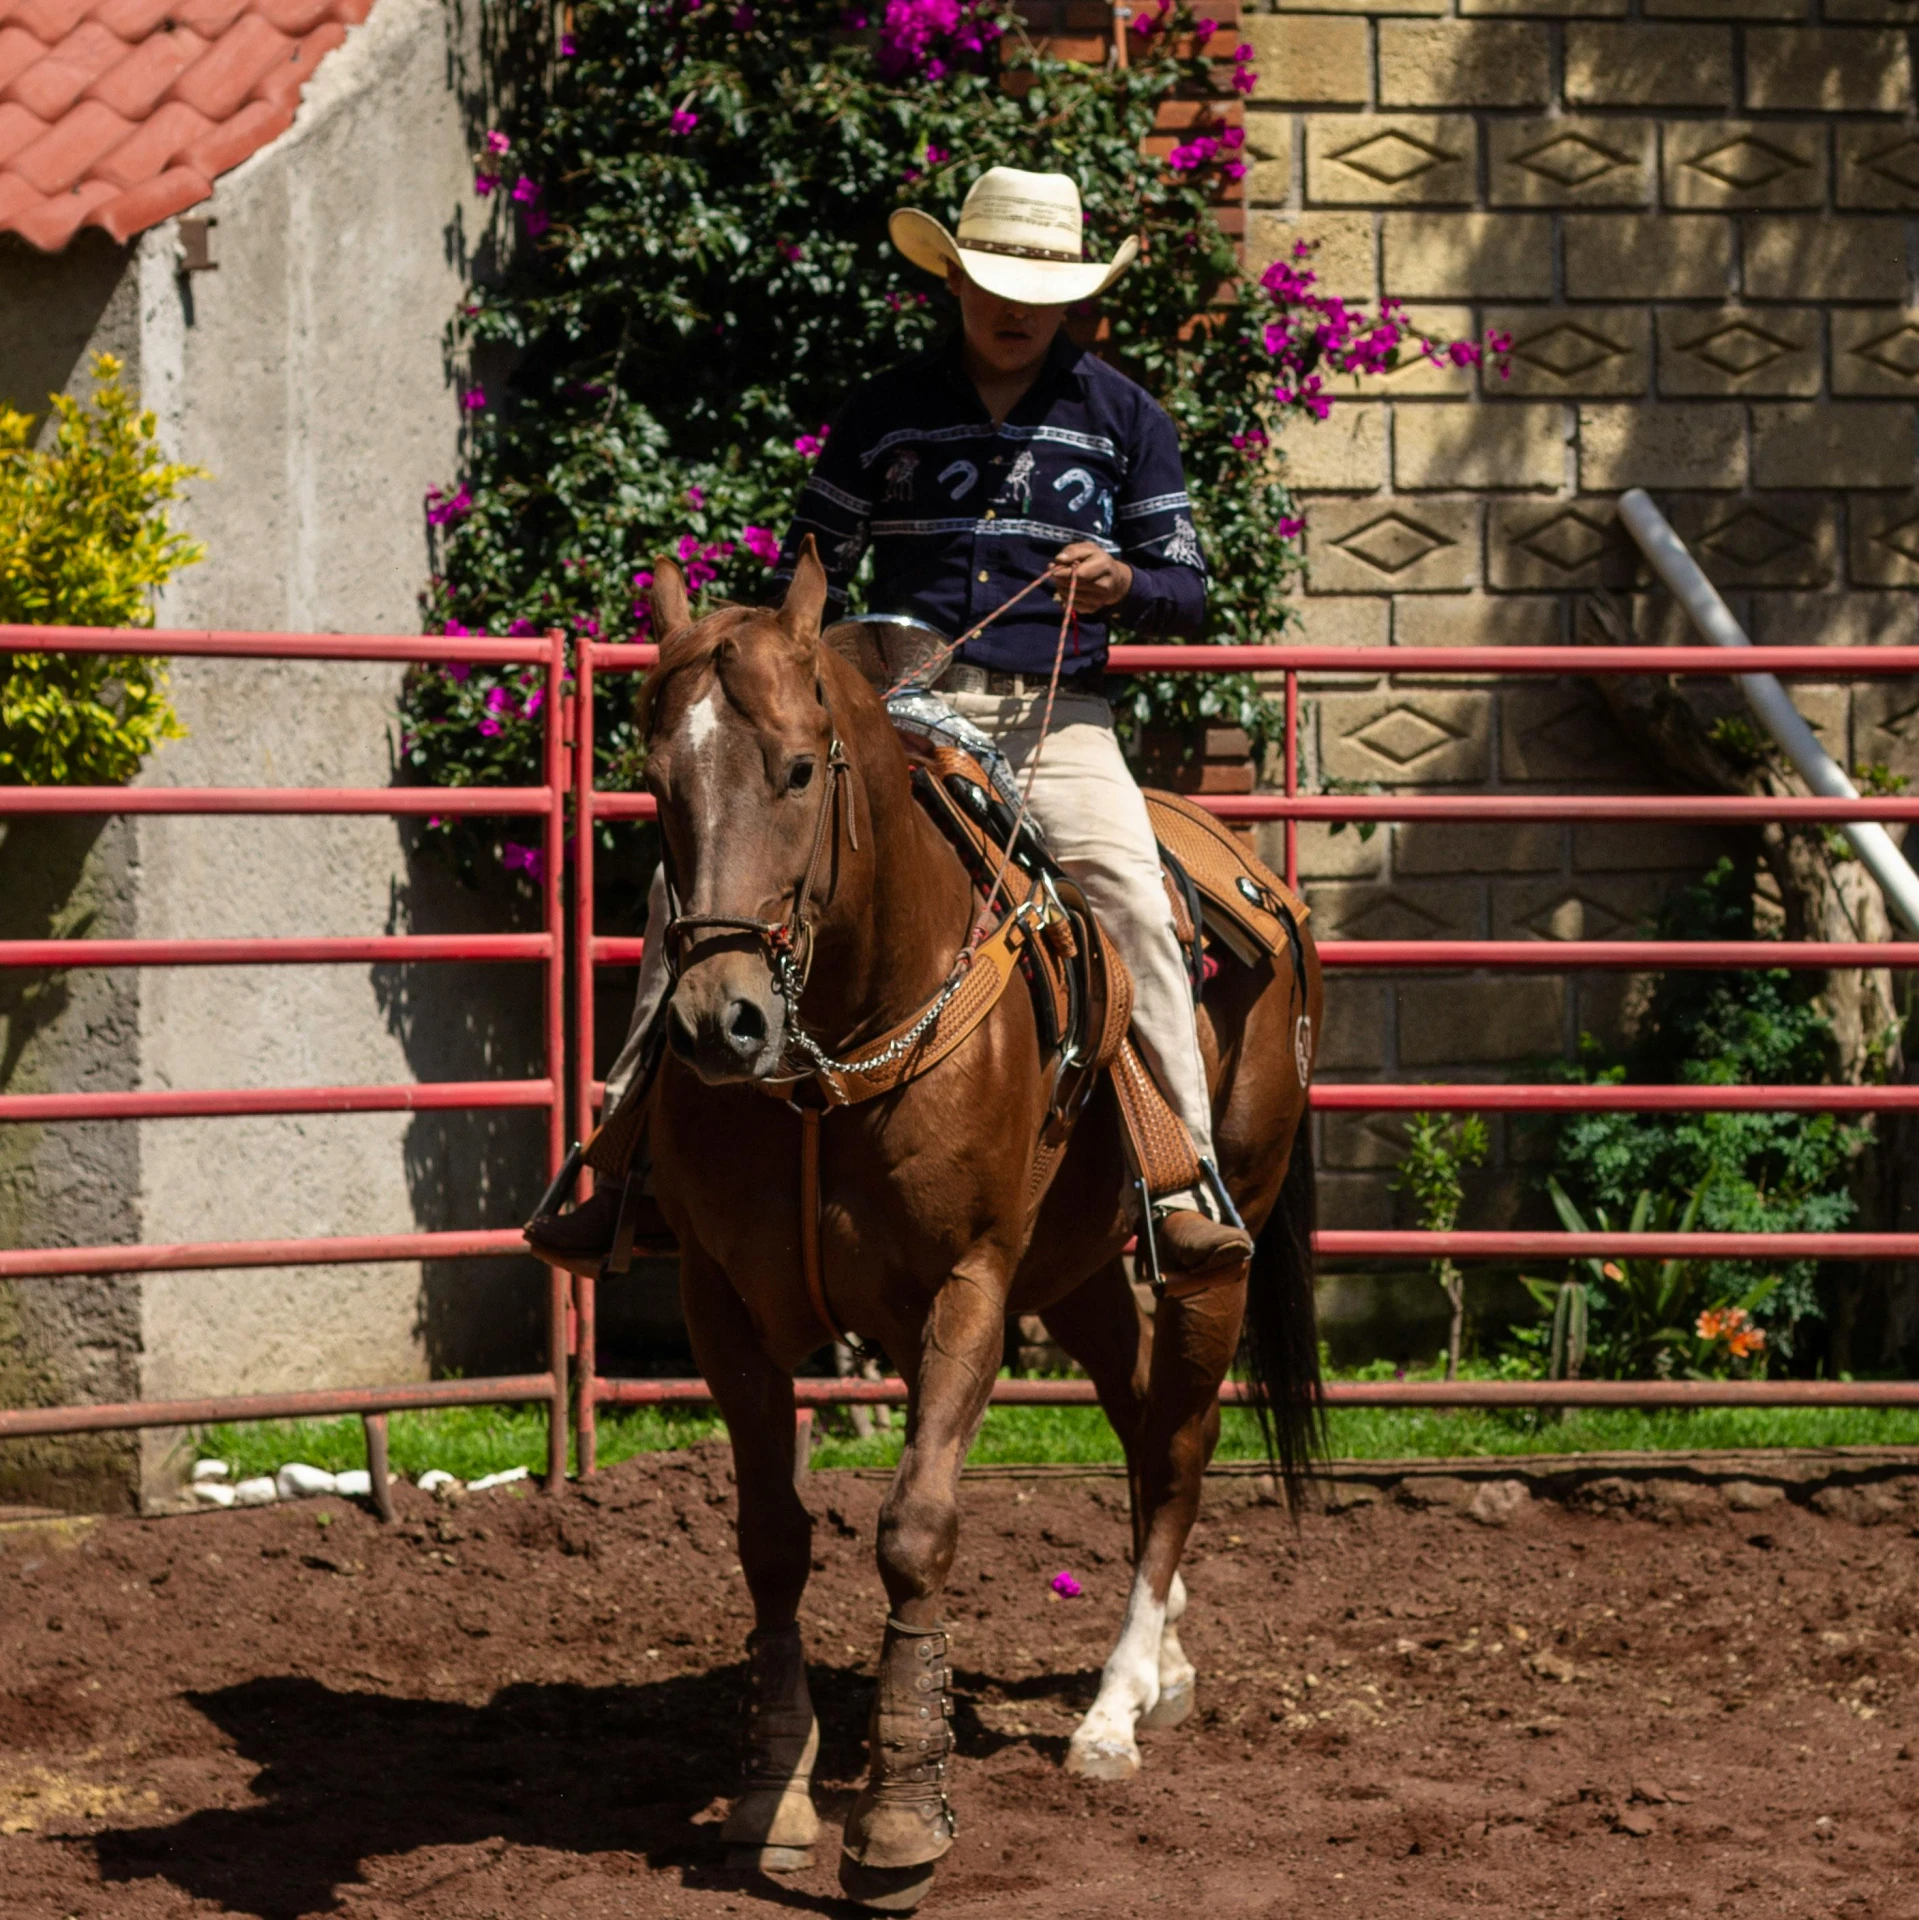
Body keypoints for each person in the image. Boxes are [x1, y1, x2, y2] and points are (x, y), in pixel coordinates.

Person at [529, 165, 1252, 1280]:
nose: (1009, 310)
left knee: (1125, 896)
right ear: (952, 281)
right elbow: (806, 577)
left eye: (1034, 289)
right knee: (700, 890)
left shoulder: (1123, 420)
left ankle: (1177, 1181)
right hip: (889, 720)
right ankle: (624, 1167)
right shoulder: (878, 415)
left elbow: (1188, 588)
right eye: (988, 285)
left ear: (1068, 296)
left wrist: (1121, 584)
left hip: (1051, 723)